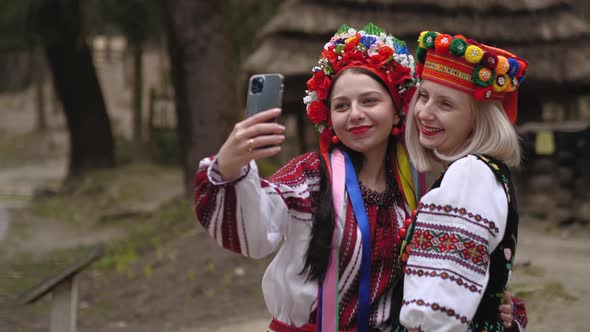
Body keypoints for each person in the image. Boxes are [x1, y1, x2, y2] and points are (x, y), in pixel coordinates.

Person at [193, 24, 521, 332]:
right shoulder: (310, 177)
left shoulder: (416, 185)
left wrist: (492, 303)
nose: (355, 114)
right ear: (327, 115)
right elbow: (253, 233)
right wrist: (230, 166)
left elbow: (445, 276)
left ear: (396, 109)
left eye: (369, 101)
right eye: (341, 105)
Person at [394, 31, 529, 332]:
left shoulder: (469, 175)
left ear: (477, 120)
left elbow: (437, 310)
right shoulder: (483, 173)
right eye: (424, 96)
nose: (424, 112)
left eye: (445, 104)